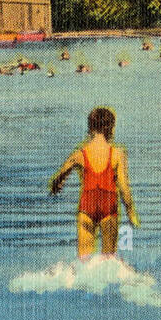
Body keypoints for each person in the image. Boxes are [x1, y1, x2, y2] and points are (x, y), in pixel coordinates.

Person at [48, 107, 139, 259]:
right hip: (108, 206)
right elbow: (124, 188)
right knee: (109, 261)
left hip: (87, 207)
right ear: (110, 128)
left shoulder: (80, 154)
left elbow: (59, 175)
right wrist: (131, 213)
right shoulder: (117, 154)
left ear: (90, 127)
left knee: (83, 261)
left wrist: (57, 184)